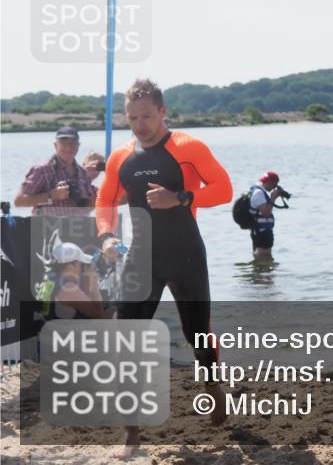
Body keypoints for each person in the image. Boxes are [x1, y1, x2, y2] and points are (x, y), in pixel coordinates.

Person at [96, 78, 233, 453]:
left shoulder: (188, 147)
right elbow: (105, 200)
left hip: (186, 254)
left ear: (162, 112)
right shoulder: (121, 157)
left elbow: (224, 188)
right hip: (142, 257)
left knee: (197, 335)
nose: (139, 125)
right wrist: (107, 235)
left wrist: (182, 197)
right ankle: (131, 431)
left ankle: (212, 385)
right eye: (132, 117)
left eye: (146, 116)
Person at [14, 127, 99, 216]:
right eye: (63, 142)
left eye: (72, 143)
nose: (68, 147)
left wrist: (96, 200)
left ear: (78, 145)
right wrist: (51, 196)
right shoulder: (42, 170)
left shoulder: (83, 173)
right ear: (55, 145)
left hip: (74, 227)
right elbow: (19, 201)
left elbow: (85, 209)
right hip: (46, 228)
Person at [34, 235, 112, 320]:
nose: (80, 270)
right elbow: (98, 316)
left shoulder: (51, 281)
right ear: (70, 265)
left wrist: (89, 280)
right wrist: (93, 282)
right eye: (79, 265)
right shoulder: (68, 288)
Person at [248, 171, 284, 258]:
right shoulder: (259, 193)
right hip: (261, 231)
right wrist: (273, 198)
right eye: (274, 185)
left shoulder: (260, 192)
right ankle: (260, 269)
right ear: (270, 182)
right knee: (264, 256)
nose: (274, 188)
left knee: (264, 258)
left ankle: (257, 269)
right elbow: (266, 212)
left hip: (261, 230)